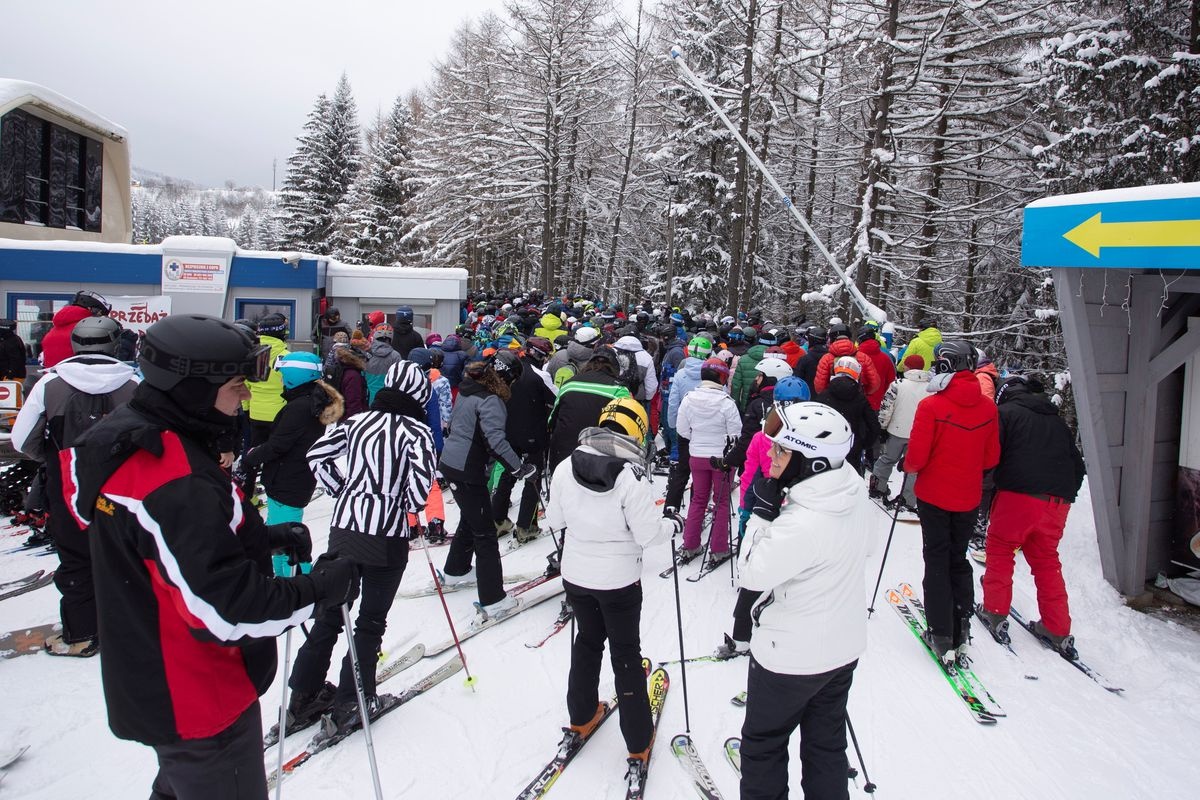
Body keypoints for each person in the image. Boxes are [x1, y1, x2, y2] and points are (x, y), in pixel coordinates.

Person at [62, 314, 355, 798]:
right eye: (237, 384)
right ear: (192, 387)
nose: (245, 397)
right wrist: (319, 589)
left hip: (162, 678)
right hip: (199, 694)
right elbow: (226, 609)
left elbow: (173, 552)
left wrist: (266, 538)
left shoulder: (147, 437)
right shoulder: (174, 479)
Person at [736, 402, 873, 800]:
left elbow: (751, 574)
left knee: (763, 744)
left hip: (789, 659)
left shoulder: (803, 523)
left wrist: (762, 514)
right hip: (841, 648)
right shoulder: (849, 486)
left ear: (812, 463)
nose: (771, 456)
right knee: (826, 745)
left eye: (782, 450)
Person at [298, 361, 437, 734]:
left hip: (345, 528)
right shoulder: (417, 431)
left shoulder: (356, 421)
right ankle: (352, 700)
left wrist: (341, 488)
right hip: (386, 536)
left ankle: (302, 697)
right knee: (369, 622)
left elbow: (316, 455)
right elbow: (420, 489)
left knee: (329, 612)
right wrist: (406, 503)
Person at [544, 398, 678, 775]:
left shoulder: (566, 465)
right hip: (618, 580)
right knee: (624, 652)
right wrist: (674, 525)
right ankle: (638, 740)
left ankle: (581, 714)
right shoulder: (631, 476)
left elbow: (554, 518)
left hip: (577, 575)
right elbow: (649, 534)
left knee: (587, 640)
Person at [11, 315, 139, 656]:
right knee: (123, 557)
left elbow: (23, 439)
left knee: (75, 559)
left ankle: (82, 633)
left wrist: (51, 458)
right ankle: (122, 629)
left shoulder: (49, 384)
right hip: (121, 487)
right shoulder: (134, 385)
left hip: (67, 484)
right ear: (115, 342)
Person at [902, 340, 1000, 665]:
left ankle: (941, 631)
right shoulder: (988, 407)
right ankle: (961, 627)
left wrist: (909, 466)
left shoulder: (932, 406)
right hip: (967, 497)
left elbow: (915, 459)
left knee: (937, 559)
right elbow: (991, 457)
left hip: (934, 496)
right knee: (958, 558)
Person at [977, 375, 1086, 657]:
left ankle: (995, 610)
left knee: (1000, 550)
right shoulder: (1057, 421)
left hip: (1018, 495)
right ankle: (1058, 627)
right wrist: (1064, 493)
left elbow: (990, 455)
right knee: (1047, 561)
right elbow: (1077, 466)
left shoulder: (1005, 414)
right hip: (1057, 502)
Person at [439, 357, 535, 620]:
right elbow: (496, 441)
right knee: (485, 534)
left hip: (452, 463)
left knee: (472, 521)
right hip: (467, 469)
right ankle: (493, 599)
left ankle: (456, 570)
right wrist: (519, 468)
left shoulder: (468, 390)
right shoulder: (490, 400)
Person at [239, 352, 343, 575]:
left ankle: (303, 588)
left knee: (288, 541)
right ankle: (279, 579)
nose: (281, 380)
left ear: (293, 377)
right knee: (277, 536)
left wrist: (250, 457)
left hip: (288, 482)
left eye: (283, 375)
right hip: (289, 479)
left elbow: (278, 445)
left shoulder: (300, 407)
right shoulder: (309, 400)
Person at [675, 358, 741, 564]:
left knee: (699, 499)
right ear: (722, 378)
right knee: (721, 502)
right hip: (721, 459)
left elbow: (682, 430)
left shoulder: (689, 399)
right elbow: (736, 433)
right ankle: (719, 548)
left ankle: (690, 544)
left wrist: (697, 436)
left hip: (697, 455)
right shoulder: (726, 402)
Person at [492, 347, 556, 543]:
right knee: (533, 476)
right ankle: (526, 525)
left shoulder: (501, 374)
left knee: (509, 472)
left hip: (508, 430)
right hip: (533, 434)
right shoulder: (538, 375)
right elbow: (555, 400)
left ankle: (498, 518)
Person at [547, 348, 632, 473]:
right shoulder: (618, 389)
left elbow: (551, 420)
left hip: (563, 453)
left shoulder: (569, 384)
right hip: (598, 455)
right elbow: (626, 425)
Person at [870, 354, 929, 510]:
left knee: (886, 459)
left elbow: (886, 408)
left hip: (896, 431)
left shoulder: (898, 384)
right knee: (913, 468)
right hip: (918, 434)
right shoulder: (930, 388)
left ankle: (877, 487)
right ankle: (908, 500)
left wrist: (882, 427)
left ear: (908, 367)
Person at [243, 312, 291, 495]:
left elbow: (246, 382)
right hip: (279, 412)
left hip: (256, 411)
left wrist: (247, 409)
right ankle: (273, 490)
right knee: (276, 454)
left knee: (253, 454)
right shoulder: (285, 356)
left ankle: (248, 493)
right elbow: (289, 383)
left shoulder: (253, 353)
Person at [815, 357, 880, 476]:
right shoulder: (860, 399)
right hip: (852, 448)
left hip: (826, 448)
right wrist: (863, 444)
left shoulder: (823, 396)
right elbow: (874, 426)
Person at [40, 290, 111, 368]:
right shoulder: (88, 331)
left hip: (52, 377)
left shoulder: (53, 330)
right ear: (92, 310)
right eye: (100, 313)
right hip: (78, 377)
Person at [363, 323, 404, 403]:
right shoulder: (395, 356)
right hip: (388, 400)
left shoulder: (366, 354)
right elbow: (400, 380)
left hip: (368, 398)